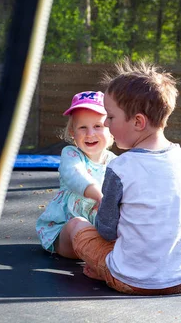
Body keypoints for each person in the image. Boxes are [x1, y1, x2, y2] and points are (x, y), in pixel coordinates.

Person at [60, 60, 181, 295]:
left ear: (138, 122)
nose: (107, 125)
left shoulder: (120, 168)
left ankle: (104, 270)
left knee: (75, 225)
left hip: (129, 279)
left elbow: (107, 231)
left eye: (110, 118)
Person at [36, 91, 116, 255]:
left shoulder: (116, 163)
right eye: (82, 127)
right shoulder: (71, 155)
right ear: (72, 132)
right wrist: (100, 196)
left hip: (102, 231)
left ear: (111, 130)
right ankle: (101, 260)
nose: (90, 134)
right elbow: (76, 175)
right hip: (65, 231)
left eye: (97, 126)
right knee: (77, 224)